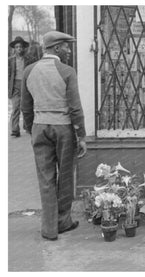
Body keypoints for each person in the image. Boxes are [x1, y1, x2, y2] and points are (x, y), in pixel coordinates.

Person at [21, 31, 88, 241]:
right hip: (63, 128)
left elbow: (25, 107)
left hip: (40, 127)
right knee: (66, 175)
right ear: (57, 48)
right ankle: (63, 221)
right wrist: (82, 136)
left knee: (46, 178)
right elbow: (75, 108)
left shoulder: (28, 71)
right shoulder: (67, 71)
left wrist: (33, 128)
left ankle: (49, 228)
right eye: (66, 46)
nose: (69, 50)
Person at [8, 36, 30, 137]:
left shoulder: (28, 59)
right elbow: (7, 75)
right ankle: (15, 130)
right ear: (14, 49)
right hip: (15, 86)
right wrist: (9, 88)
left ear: (23, 48)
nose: (19, 49)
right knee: (15, 108)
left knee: (26, 107)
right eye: (17, 47)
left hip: (26, 85)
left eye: (20, 47)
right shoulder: (10, 60)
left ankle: (27, 126)